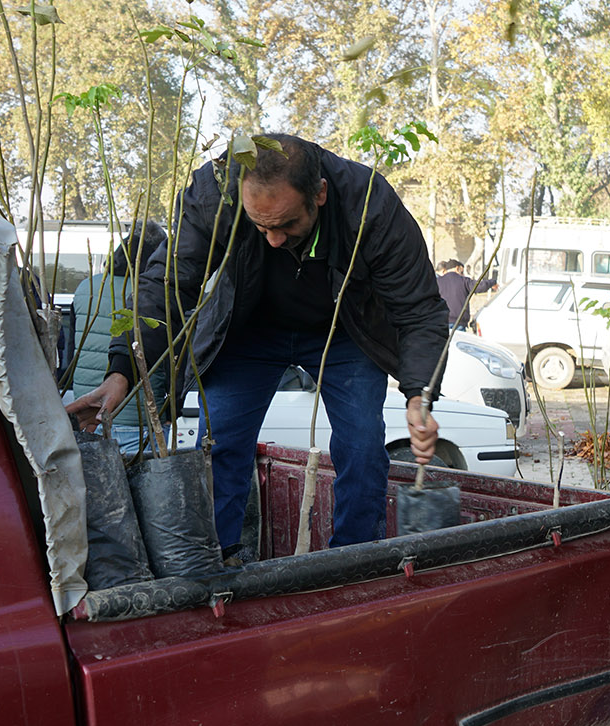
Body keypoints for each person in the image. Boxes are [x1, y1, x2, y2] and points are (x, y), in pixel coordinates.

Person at [66, 135, 449, 556]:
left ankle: (353, 560)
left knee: (361, 444)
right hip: (248, 330)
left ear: (319, 194)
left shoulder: (369, 203)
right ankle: (218, 558)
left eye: (286, 224)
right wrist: (123, 373)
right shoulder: (215, 193)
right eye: (260, 225)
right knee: (221, 443)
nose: (273, 240)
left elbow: (418, 309)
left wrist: (419, 394)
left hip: (344, 332)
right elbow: (170, 283)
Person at [65, 222, 169, 455]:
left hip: (89, 412)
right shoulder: (156, 295)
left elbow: (71, 353)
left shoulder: (87, 288)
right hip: (139, 418)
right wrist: (170, 412)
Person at [436, 258, 476, 329]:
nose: (463, 274)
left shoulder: (438, 282)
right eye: (462, 271)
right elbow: (479, 286)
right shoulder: (463, 281)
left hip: (442, 321)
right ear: (457, 268)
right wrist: (493, 282)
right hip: (459, 322)